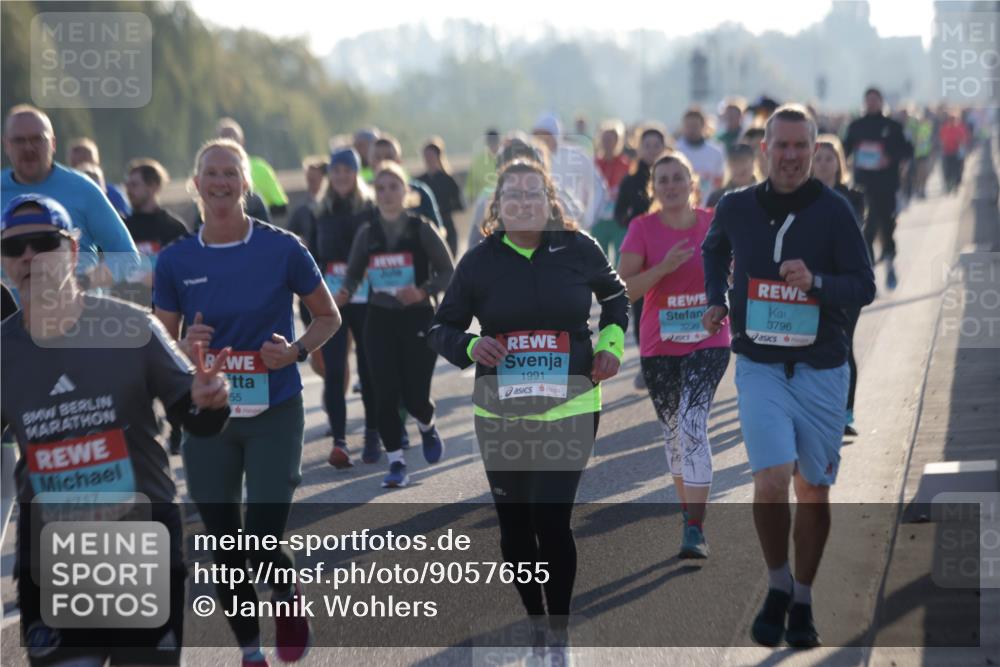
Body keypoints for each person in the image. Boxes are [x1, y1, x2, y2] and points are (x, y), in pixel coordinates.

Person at [1, 193, 232, 667]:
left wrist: (209, 401)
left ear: (71, 251)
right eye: (13, 248)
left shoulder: (132, 327)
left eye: (42, 242)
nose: (27, 257)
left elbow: (195, 416)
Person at [429, 158, 627, 664]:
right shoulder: (479, 261)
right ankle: (536, 624)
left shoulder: (578, 248)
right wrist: (473, 348)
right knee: (516, 531)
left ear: (548, 201)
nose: (522, 201)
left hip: (572, 404)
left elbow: (615, 295)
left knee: (551, 520)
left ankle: (557, 634)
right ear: (498, 206)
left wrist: (610, 343)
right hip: (502, 413)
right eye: (512, 194)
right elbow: (442, 327)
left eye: (532, 193)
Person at [153, 138, 340, 665]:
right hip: (209, 414)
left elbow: (329, 317)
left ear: (245, 182)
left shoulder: (283, 248)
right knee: (225, 546)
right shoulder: (176, 260)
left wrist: (297, 350)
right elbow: (161, 344)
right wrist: (187, 350)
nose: (220, 182)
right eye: (210, 173)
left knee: (259, 538)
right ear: (195, 184)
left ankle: (285, 596)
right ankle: (251, 652)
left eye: (230, 173)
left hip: (274, 410)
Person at [702, 105, 875, 649]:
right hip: (759, 366)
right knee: (772, 479)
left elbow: (864, 286)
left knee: (814, 490)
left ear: (814, 148)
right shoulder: (735, 206)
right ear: (765, 149)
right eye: (783, 146)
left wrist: (817, 282)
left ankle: (802, 597)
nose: (794, 156)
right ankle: (777, 586)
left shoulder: (835, 211)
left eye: (803, 146)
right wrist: (715, 300)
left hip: (822, 368)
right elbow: (713, 249)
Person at [618, 152, 730, 559]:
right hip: (659, 346)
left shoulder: (714, 221)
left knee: (692, 421)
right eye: (662, 179)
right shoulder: (642, 229)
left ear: (691, 182)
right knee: (673, 432)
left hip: (709, 339)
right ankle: (688, 515)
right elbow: (624, 290)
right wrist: (663, 267)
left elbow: (737, 270)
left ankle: (696, 527)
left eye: (677, 177)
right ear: (653, 187)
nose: (670, 185)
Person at [338, 161, 453, 488]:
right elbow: (353, 272)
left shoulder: (422, 228)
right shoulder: (368, 232)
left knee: (416, 397)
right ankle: (396, 463)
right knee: (384, 395)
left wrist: (422, 291)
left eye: (394, 186)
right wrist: (345, 290)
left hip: (417, 317)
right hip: (380, 319)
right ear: (375, 194)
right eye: (381, 188)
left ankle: (427, 426)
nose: (387, 193)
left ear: (406, 192)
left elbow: (449, 272)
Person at [1, 105, 139, 285]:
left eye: (37, 139)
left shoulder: (82, 188)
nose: (28, 147)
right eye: (19, 140)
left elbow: (127, 256)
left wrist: (80, 284)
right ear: (6, 145)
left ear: (53, 144)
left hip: (77, 310)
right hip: (10, 312)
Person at [308, 147, 381, 468]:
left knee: (368, 369)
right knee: (334, 370)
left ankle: (373, 434)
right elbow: (310, 258)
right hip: (332, 301)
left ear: (355, 174)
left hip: (365, 298)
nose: (341, 176)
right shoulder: (319, 212)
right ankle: (339, 442)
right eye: (335, 171)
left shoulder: (370, 210)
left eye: (347, 171)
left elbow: (379, 252)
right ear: (330, 175)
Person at [812, 134, 867, 438]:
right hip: (809, 283)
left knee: (844, 345)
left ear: (839, 162)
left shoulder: (853, 196)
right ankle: (818, 411)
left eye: (828, 158)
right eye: (818, 158)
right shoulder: (800, 195)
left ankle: (845, 413)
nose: (823, 164)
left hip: (847, 282)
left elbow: (851, 233)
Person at [843, 87, 913, 290]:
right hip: (863, 186)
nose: (872, 103)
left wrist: (889, 157)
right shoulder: (856, 126)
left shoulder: (892, 126)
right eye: (868, 100)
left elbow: (907, 150)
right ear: (864, 102)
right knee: (867, 229)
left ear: (881, 102)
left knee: (887, 225)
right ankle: (868, 273)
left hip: (887, 185)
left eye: (875, 100)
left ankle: (890, 264)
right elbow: (843, 150)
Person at [615, 124, 667, 388]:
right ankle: (647, 362)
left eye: (657, 145)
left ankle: (670, 360)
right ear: (639, 148)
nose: (652, 149)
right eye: (647, 145)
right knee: (641, 308)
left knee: (668, 304)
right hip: (639, 253)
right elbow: (618, 213)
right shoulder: (631, 180)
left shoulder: (673, 176)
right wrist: (636, 223)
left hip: (669, 249)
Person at [533, 112, 607, 230]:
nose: (541, 140)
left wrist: (588, 219)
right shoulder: (531, 159)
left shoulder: (576, 156)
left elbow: (598, 188)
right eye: (538, 135)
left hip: (572, 225)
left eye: (546, 135)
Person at [369, 135, 446, 232]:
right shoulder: (364, 198)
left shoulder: (420, 193)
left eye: (389, 157)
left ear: (399, 161)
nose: (384, 162)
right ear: (370, 162)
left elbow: (438, 232)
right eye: (378, 157)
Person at [217, 117, 289, 218]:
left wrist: (256, 210)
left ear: (242, 141)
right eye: (224, 141)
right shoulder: (209, 172)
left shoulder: (260, 168)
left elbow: (281, 207)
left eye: (233, 140)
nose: (229, 145)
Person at [591, 119, 632, 263]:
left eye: (611, 139)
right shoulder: (593, 163)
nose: (608, 143)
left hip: (619, 219)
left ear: (618, 141)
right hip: (598, 218)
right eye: (605, 139)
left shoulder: (626, 165)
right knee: (598, 258)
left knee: (620, 258)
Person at [418, 136, 463, 255]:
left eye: (431, 155)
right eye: (426, 156)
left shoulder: (448, 180)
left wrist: (442, 208)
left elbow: (459, 204)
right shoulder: (419, 182)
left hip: (447, 226)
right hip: (425, 228)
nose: (428, 159)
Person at [66, 136, 132, 218]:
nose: (83, 168)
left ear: (96, 162)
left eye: (86, 161)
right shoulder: (64, 193)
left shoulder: (114, 195)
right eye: (75, 164)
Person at [676, 107, 725, 205]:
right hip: (682, 207)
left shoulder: (716, 151)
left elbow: (719, 181)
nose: (691, 130)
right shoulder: (676, 150)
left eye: (695, 126)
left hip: (709, 206)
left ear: (703, 126)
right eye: (688, 126)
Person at [707, 142, 760, 208]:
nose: (739, 167)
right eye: (734, 162)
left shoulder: (764, 195)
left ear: (753, 163)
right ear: (728, 165)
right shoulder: (717, 198)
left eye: (743, 161)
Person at [287, 156, 328, 241]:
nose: (311, 183)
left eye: (314, 179)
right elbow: (289, 234)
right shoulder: (301, 210)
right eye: (309, 179)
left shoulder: (332, 204)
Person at [465, 128, 501, 206]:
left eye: (494, 142)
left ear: (498, 141)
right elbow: (470, 186)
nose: (492, 145)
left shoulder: (505, 159)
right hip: (482, 204)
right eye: (490, 142)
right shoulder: (478, 161)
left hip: (502, 203)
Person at [939, 110, 970, 195]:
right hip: (947, 152)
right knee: (947, 170)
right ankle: (948, 185)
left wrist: (959, 141)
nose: (952, 121)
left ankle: (956, 185)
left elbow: (964, 140)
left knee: (957, 170)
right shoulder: (944, 128)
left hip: (956, 152)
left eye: (953, 119)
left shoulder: (959, 128)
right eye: (950, 119)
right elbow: (941, 139)